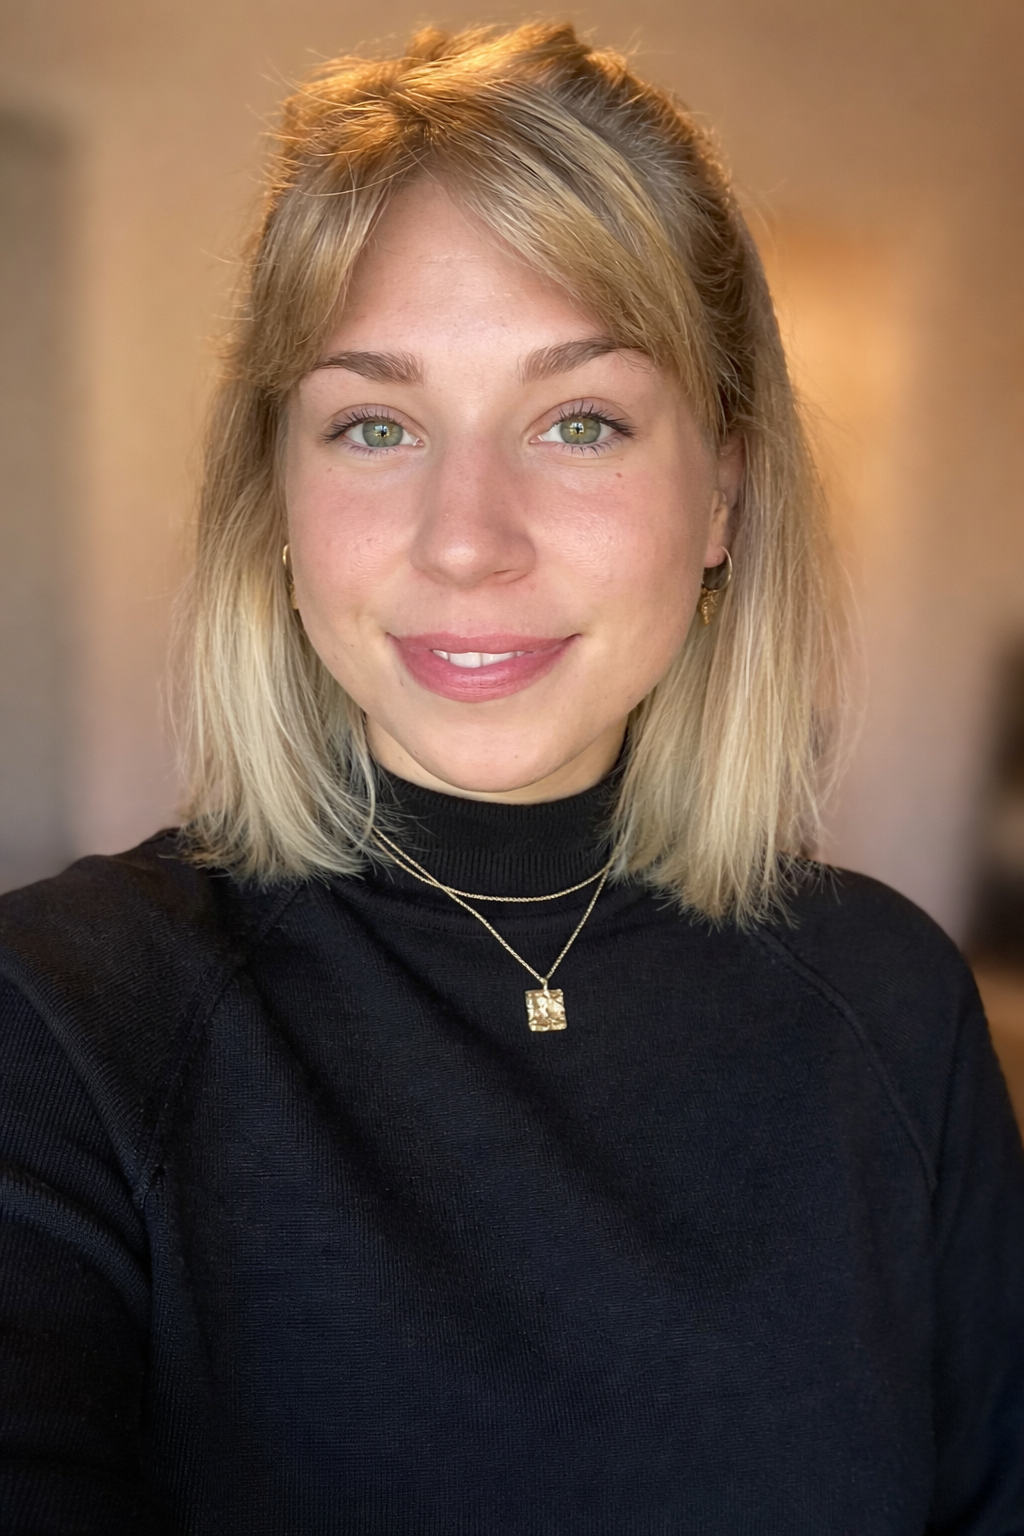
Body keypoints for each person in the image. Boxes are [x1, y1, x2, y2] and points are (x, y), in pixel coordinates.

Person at [0, 21, 1021, 1534]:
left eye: (580, 420)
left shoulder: (896, 1005)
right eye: (374, 424)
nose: (467, 538)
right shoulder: (65, 1023)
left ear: (725, 491)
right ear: (275, 501)